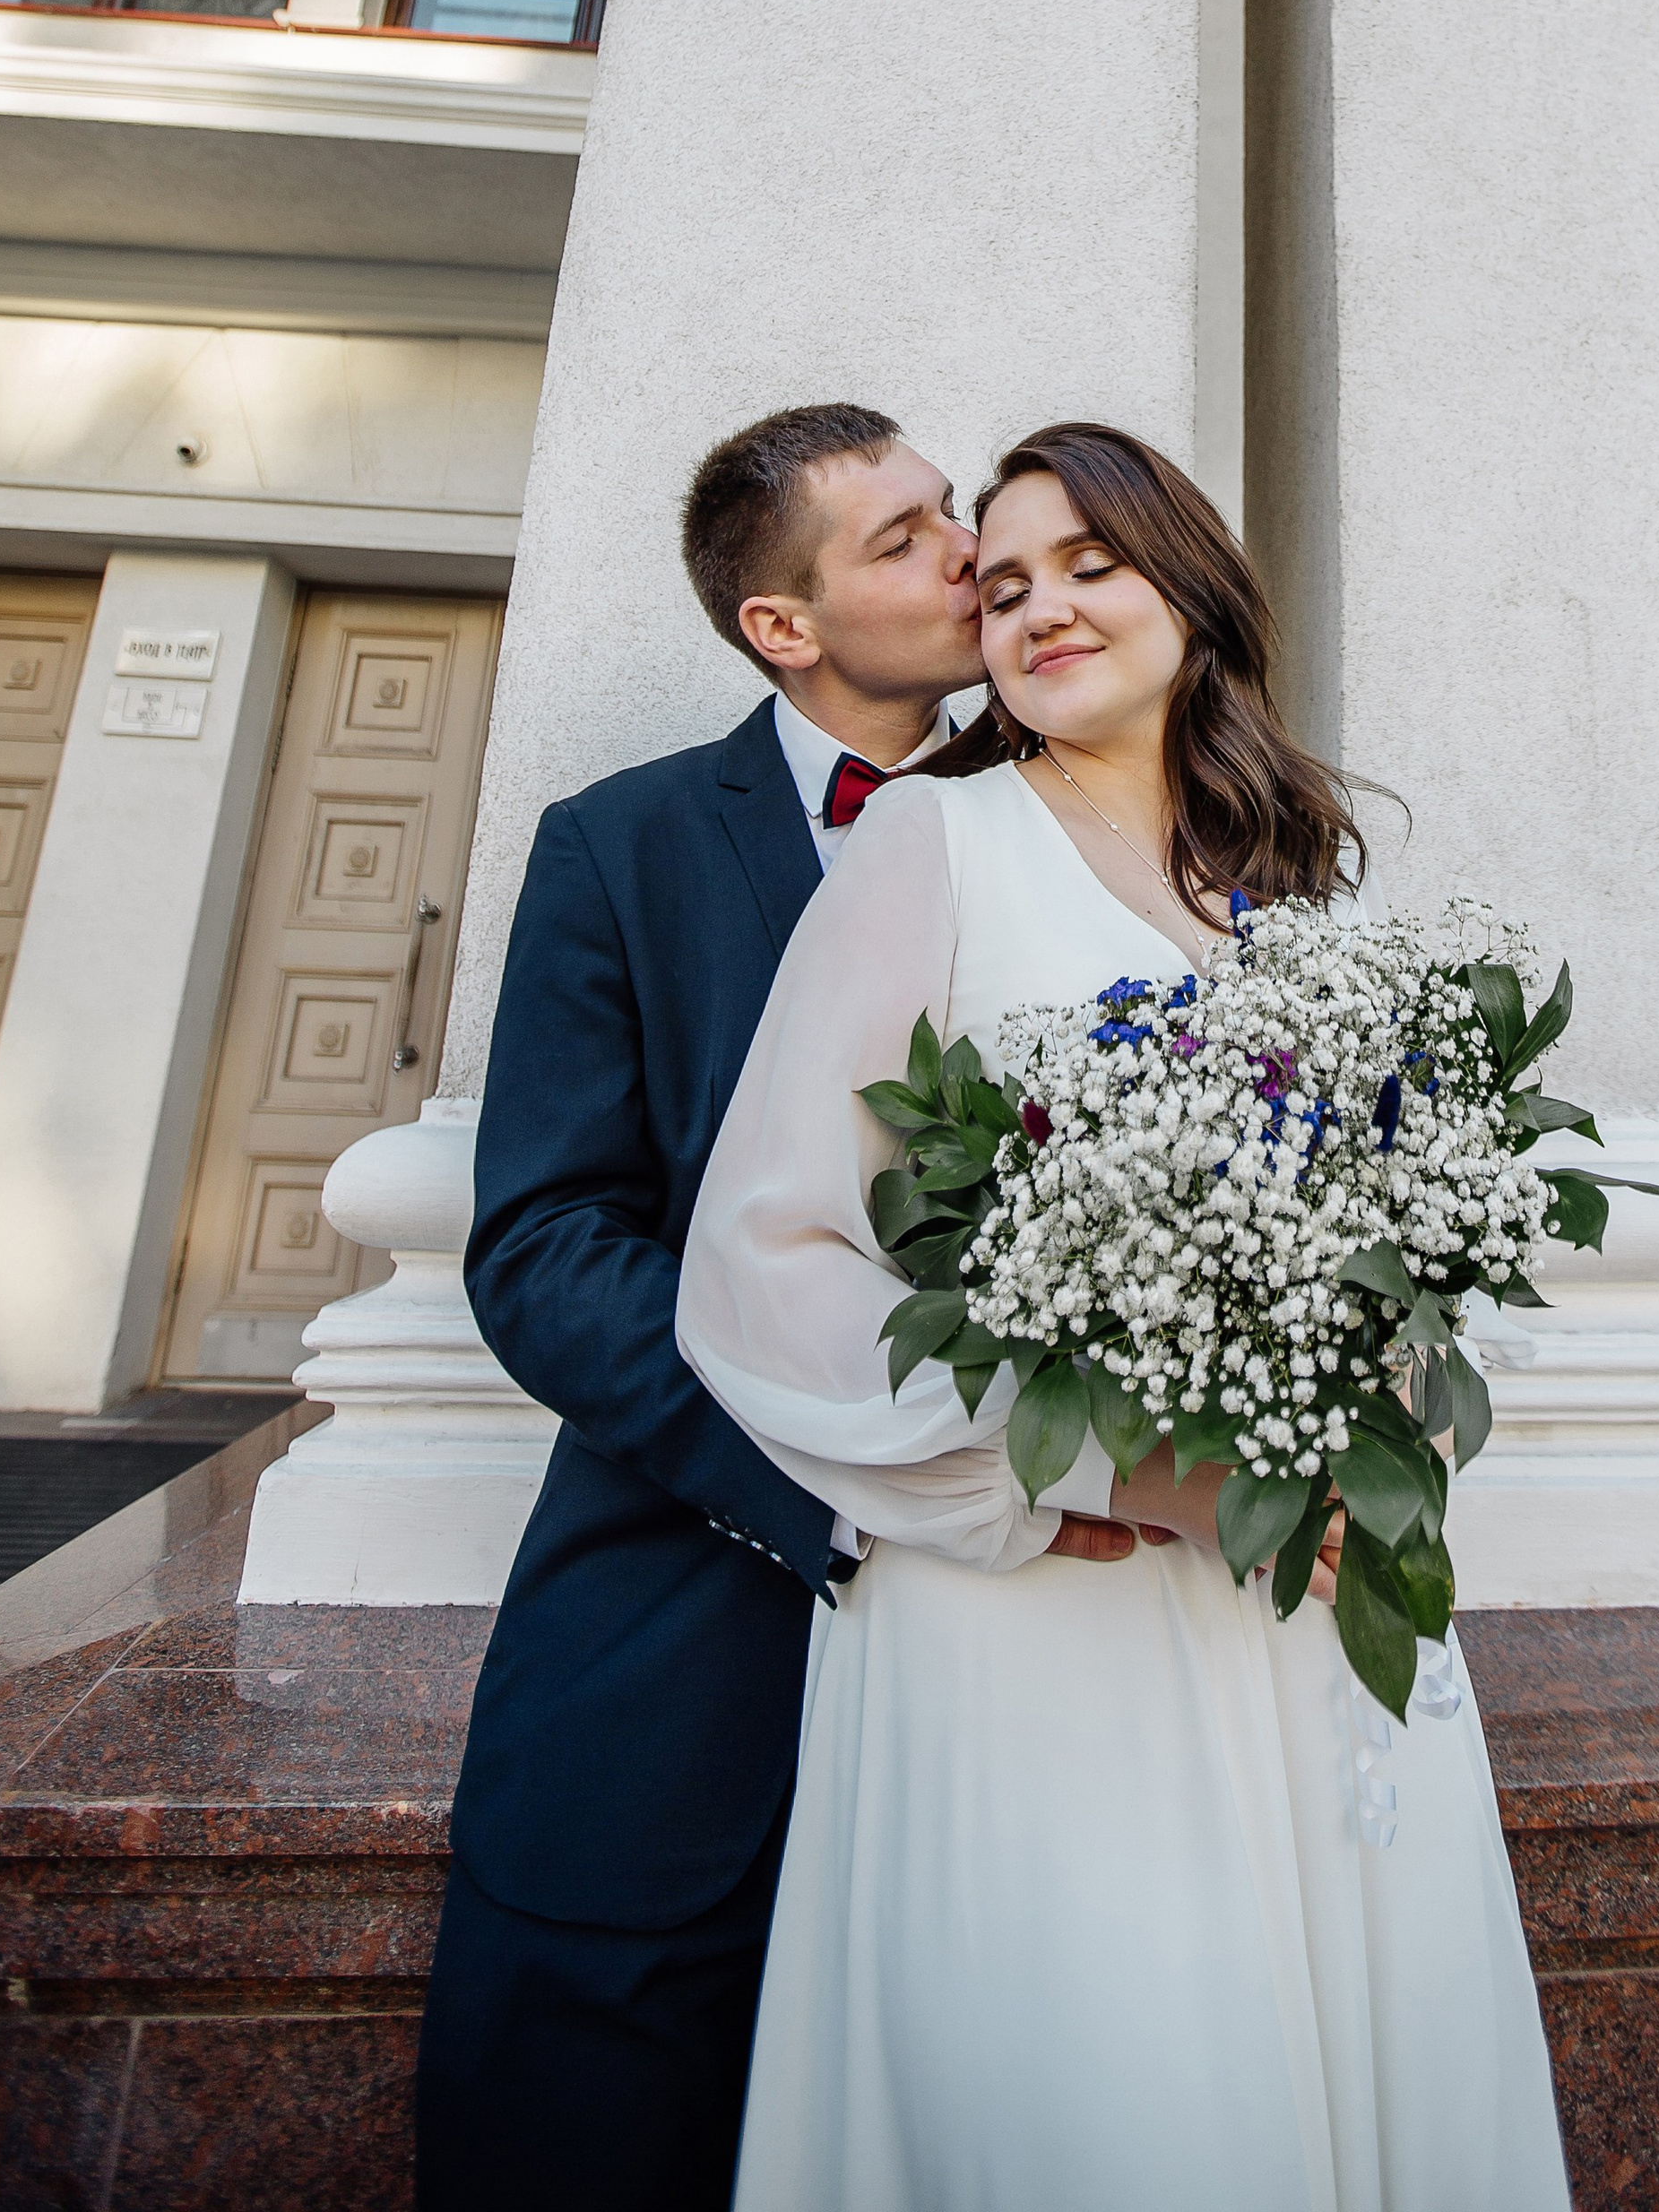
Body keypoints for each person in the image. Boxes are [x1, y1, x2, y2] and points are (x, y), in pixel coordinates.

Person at [677, 421, 1574, 2210]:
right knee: (1110, 2087)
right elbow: (761, 1255)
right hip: (1046, 1609)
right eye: (999, 585)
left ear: (1188, 584)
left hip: (1306, 1601)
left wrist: (1350, 1411)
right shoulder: (928, 848)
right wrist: (1105, 1462)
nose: (1040, 607)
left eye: (1087, 561)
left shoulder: (1312, 881)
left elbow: (1409, 1216)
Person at [417, 402, 1147, 2210]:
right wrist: (849, 1479)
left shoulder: (1090, 828)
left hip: (1053, 1662)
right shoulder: (623, 847)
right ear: (783, 627)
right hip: (694, 1622)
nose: (971, 560)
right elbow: (546, 1248)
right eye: (902, 540)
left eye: (954, 515)